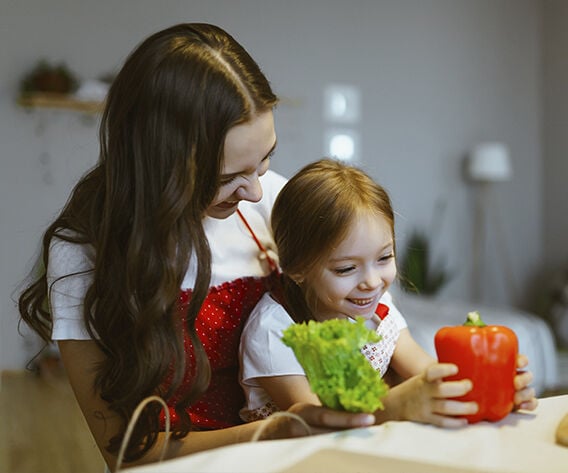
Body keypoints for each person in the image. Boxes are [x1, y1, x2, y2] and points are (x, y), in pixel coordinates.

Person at [17, 24, 375, 472]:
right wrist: (277, 429)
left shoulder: (276, 203)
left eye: (264, 161)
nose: (257, 192)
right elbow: (125, 453)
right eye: (229, 178)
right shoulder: (84, 252)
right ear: (162, 166)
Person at [239, 158, 538, 426]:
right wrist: (396, 404)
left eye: (384, 258)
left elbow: (427, 374)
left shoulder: (380, 312)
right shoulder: (272, 330)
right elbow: (320, 422)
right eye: (346, 269)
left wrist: (493, 389)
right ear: (297, 269)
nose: (372, 282)